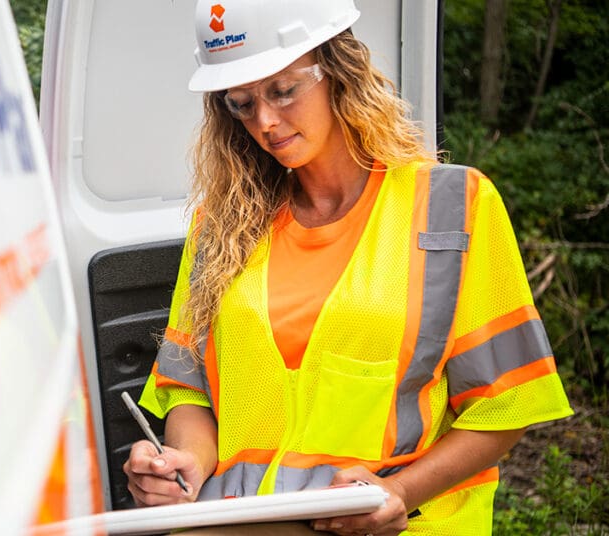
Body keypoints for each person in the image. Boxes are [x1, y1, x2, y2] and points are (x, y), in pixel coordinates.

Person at [123, 1, 574, 534]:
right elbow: (189, 388)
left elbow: (508, 405)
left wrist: (399, 491)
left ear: (340, 70)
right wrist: (189, 464)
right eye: (241, 103)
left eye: (283, 90)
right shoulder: (221, 226)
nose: (264, 122)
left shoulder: (455, 208)